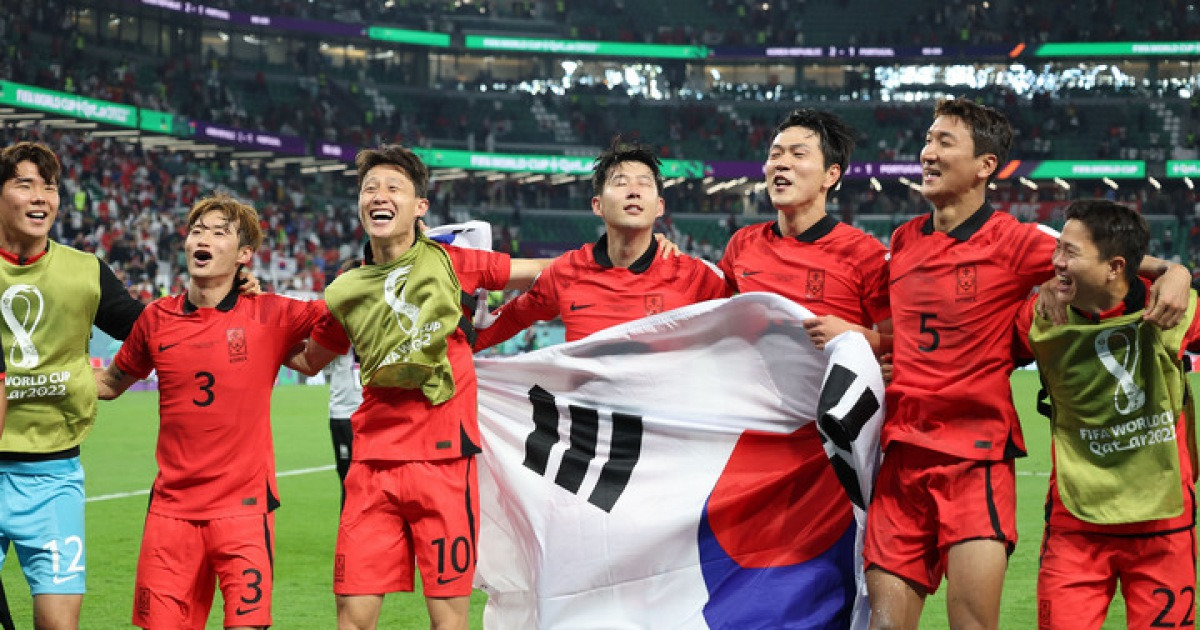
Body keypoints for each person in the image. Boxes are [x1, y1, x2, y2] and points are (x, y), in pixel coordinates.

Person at [864, 98, 1192, 630]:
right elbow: (890, 334)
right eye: (927, 139)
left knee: (972, 624)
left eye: (945, 142)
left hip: (974, 457)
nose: (927, 151)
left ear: (985, 166)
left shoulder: (1014, 241)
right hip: (901, 456)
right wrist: (878, 356)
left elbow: (1103, 262)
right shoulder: (902, 242)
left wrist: (1175, 270)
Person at [287, 145, 551, 630]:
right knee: (353, 614)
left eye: (393, 188)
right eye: (369, 189)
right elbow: (309, 359)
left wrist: (620, 251)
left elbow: (541, 271)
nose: (378, 196)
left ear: (419, 207)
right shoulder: (348, 287)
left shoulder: (454, 263)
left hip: (444, 461)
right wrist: (254, 324)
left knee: (448, 619)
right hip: (371, 464)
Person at [94, 195, 332, 630]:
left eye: (219, 232)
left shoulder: (270, 313)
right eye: (197, 230)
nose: (202, 238)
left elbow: (337, 317)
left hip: (243, 510)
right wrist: (35, 379)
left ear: (244, 255)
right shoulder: (155, 319)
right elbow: (109, 383)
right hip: (171, 513)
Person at [714, 108, 891, 627]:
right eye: (774, 154)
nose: (780, 165)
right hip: (750, 456)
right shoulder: (742, 247)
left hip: (827, 467)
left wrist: (862, 336)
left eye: (797, 154)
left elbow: (901, 347)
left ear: (831, 175)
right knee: (744, 593)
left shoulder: (863, 255)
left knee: (824, 596)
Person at [1014, 199, 1198, 630]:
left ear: (1115, 267)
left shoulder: (1176, 308)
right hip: (1075, 525)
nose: (1055, 261)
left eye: (1070, 253)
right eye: (1057, 249)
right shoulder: (1039, 319)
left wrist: (1178, 274)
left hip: (1163, 523)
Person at [0, 141, 143, 630]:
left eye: (50, 187)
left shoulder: (85, 271)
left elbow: (149, 330)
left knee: (59, 625)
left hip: (55, 476)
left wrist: (119, 377)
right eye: (24, 185)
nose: (41, 196)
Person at [473, 138, 729, 349]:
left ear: (659, 207)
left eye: (644, 183)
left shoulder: (695, 276)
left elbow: (758, 319)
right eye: (620, 183)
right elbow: (506, 321)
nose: (633, 191)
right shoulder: (566, 273)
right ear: (598, 205)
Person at [324, 259, 363, 508]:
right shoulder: (336, 320)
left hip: (371, 413)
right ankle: (351, 545)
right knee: (351, 485)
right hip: (346, 414)